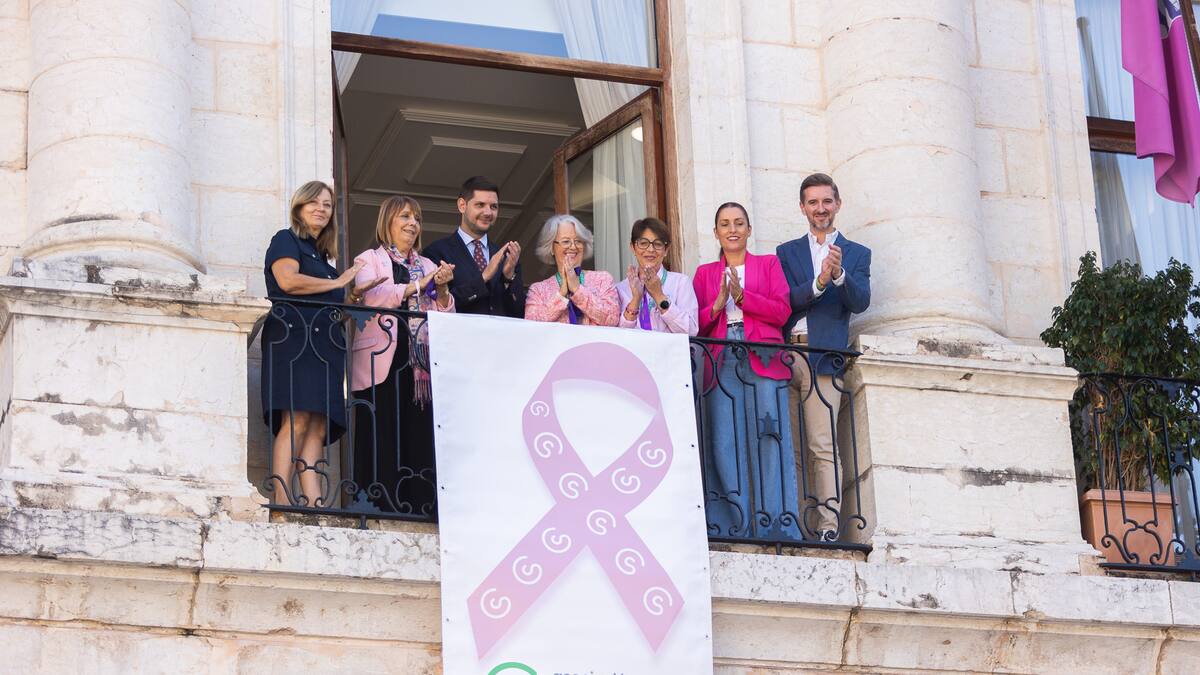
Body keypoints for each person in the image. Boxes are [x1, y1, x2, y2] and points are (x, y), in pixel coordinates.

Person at [262, 180, 378, 506]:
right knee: (296, 418)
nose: (321, 209)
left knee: (316, 427)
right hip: (295, 341)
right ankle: (282, 501)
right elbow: (286, 280)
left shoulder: (326, 263)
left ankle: (313, 505)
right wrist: (341, 281)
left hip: (324, 347)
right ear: (299, 207)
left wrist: (352, 295)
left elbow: (334, 309)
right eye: (314, 202)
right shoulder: (286, 240)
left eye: (327, 205)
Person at [693, 202, 802, 542]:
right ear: (716, 233)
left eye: (739, 222)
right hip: (721, 356)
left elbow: (782, 311)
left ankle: (776, 523)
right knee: (724, 440)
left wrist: (742, 298)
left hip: (763, 356)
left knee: (768, 436)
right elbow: (696, 322)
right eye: (724, 224)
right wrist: (719, 301)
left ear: (749, 229)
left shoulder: (768, 265)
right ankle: (732, 525)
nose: (732, 229)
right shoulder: (704, 274)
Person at [776, 172, 872, 540]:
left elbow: (860, 301)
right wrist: (817, 283)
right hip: (788, 356)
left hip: (824, 359)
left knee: (822, 445)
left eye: (826, 201)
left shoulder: (858, 253)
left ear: (838, 204)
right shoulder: (786, 252)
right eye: (813, 202)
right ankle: (801, 526)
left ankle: (829, 526)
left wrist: (840, 274)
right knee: (793, 448)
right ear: (803, 207)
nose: (820, 208)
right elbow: (783, 301)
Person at [349, 195, 455, 516]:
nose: (413, 223)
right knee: (381, 430)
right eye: (405, 216)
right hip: (382, 359)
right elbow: (371, 298)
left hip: (419, 362)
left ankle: (419, 506)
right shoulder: (368, 259)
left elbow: (446, 313)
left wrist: (444, 290)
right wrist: (414, 287)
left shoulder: (427, 265)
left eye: (417, 218)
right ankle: (377, 505)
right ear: (388, 222)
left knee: (418, 430)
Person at [422, 176, 525, 317]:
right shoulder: (437, 252)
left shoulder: (506, 255)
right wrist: (483, 277)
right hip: (459, 337)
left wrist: (508, 278)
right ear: (462, 206)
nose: (488, 212)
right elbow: (438, 305)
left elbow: (519, 312)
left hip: (499, 337)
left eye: (493, 206)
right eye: (480, 205)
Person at [524, 214, 619, 326]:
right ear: (551, 248)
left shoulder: (603, 279)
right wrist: (561, 294)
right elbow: (531, 326)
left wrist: (577, 290)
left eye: (578, 241)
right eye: (566, 241)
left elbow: (612, 319)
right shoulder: (538, 291)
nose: (573, 247)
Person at [616, 217, 699, 335]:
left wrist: (659, 296)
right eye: (643, 243)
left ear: (666, 250)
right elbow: (618, 336)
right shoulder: (620, 288)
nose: (650, 249)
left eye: (658, 244)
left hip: (670, 353)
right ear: (633, 248)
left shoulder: (681, 282)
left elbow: (691, 331)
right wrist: (635, 300)